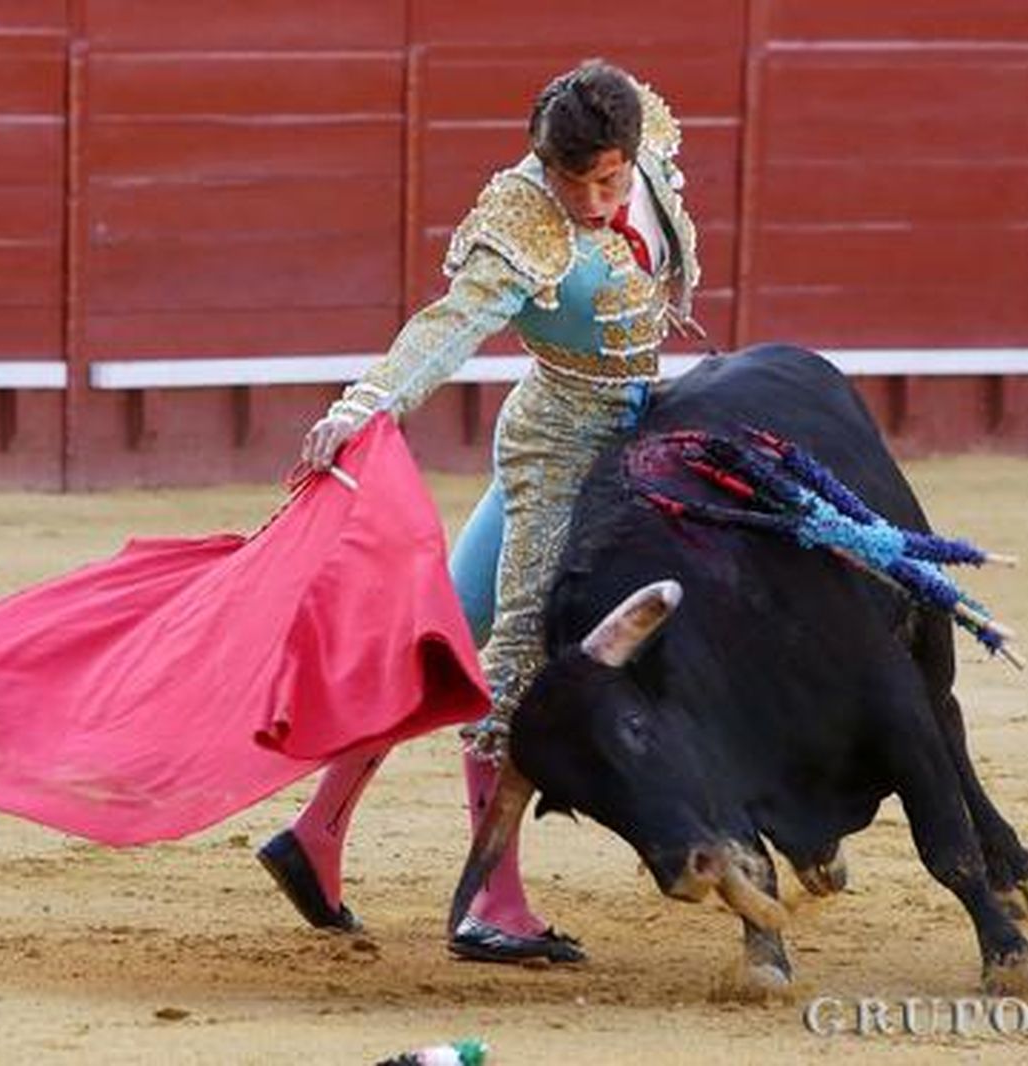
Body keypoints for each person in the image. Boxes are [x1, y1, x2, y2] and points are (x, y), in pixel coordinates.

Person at [257, 59, 701, 963]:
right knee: (516, 662)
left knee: (449, 635)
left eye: (603, 179)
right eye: (565, 177)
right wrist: (364, 404)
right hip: (558, 449)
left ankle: (316, 835)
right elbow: (450, 324)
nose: (583, 197)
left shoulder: (647, 143)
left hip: (630, 428)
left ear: (631, 153)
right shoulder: (519, 218)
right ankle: (490, 900)